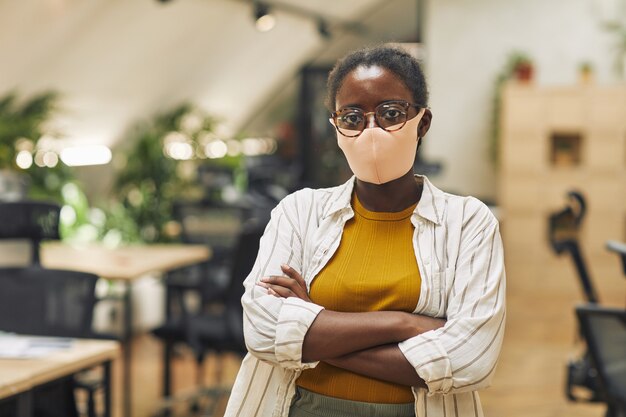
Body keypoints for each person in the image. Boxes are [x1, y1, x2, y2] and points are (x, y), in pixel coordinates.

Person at [223, 45, 506, 417]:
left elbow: (469, 359)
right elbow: (261, 330)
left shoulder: (468, 221)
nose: (371, 131)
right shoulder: (299, 212)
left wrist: (313, 323)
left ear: (422, 122)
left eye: (391, 113)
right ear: (336, 128)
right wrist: (403, 323)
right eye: (352, 117)